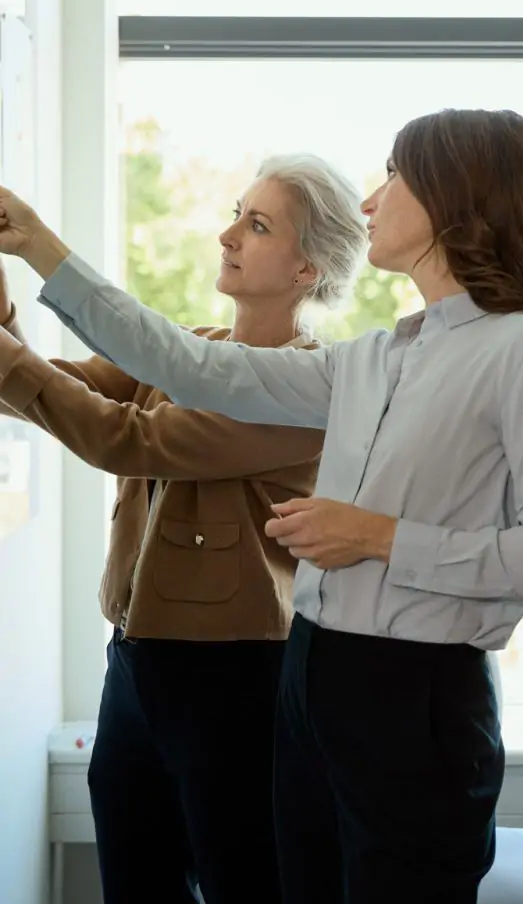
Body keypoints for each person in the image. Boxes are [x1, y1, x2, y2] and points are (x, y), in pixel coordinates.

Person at [0, 108, 523, 904]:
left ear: (456, 200)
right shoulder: (380, 358)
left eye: (394, 177)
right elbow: (181, 362)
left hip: (411, 695)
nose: (370, 202)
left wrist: (380, 536)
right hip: (314, 679)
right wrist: (36, 244)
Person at [0, 153, 367, 904]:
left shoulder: (309, 390)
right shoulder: (191, 351)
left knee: (244, 880)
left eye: (257, 224)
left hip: (233, 678)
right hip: (136, 664)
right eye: (236, 211)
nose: (227, 233)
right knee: (136, 880)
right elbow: (48, 387)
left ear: (309, 268)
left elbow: (124, 439)